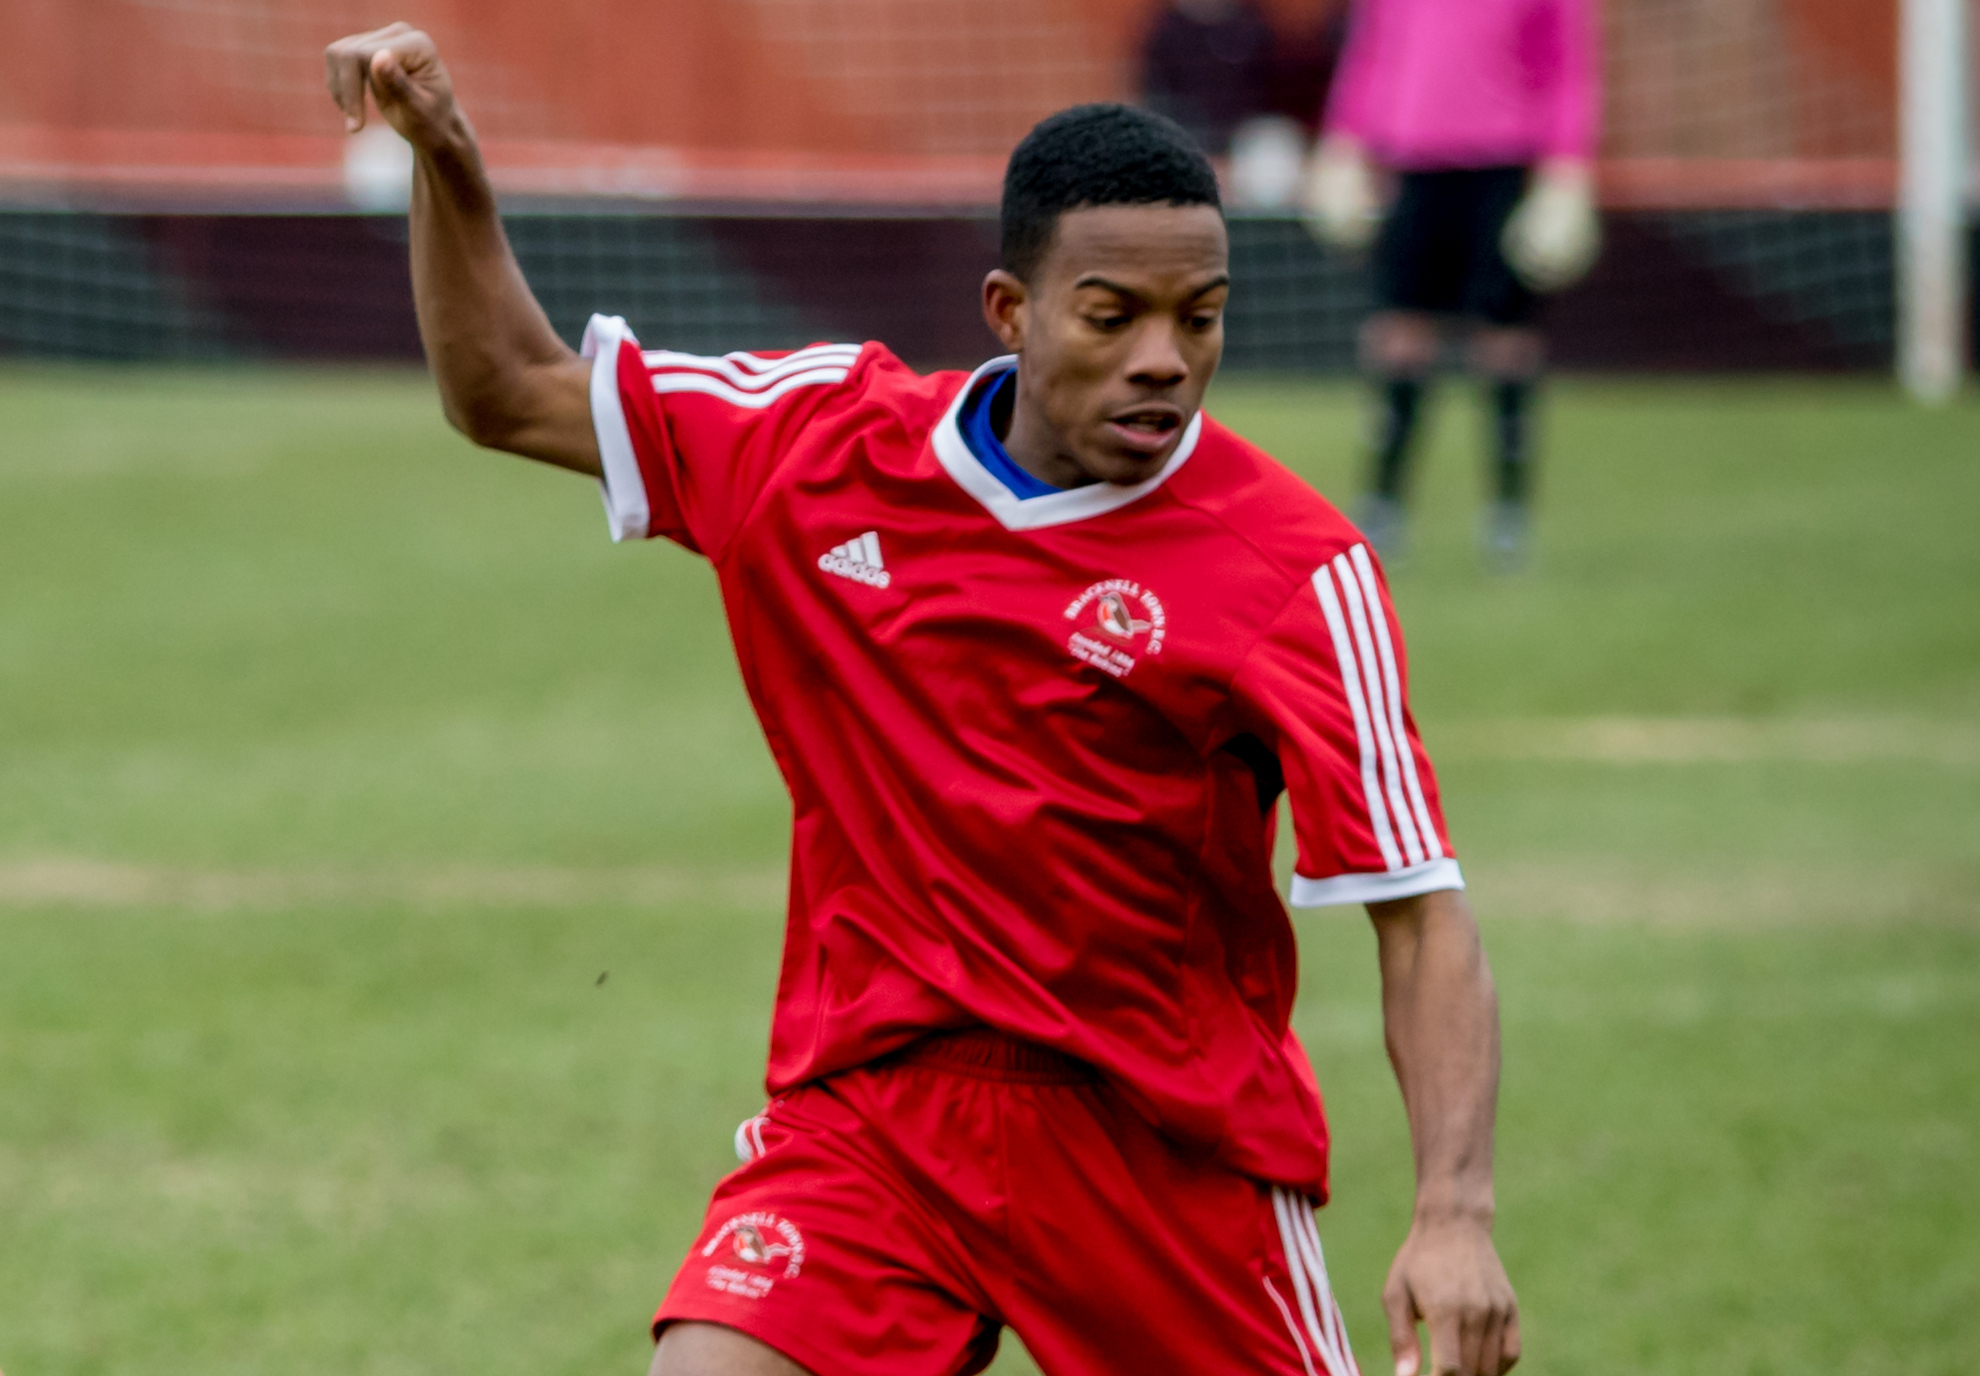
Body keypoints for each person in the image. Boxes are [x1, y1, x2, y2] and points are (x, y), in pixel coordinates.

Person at [323, 24, 1520, 1376]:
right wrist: (448, 165)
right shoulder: (818, 442)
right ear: (1011, 311)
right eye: (1113, 314)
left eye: (1201, 317)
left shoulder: (1293, 571)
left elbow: (1419, 916)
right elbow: (508, 391)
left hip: (1158, 1152)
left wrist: (1454, 1214)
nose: (1165, 360)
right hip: (875, 1120)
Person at [1303, 0, 1602, 567]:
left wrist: (1568, 165)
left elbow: (1567, 69)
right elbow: (1370, 56)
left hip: (1502, 165)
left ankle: (1508, 513)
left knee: (1505, 342)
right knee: (1399, 337)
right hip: (1413, 165)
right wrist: (1343, 142)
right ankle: (1382, 504)